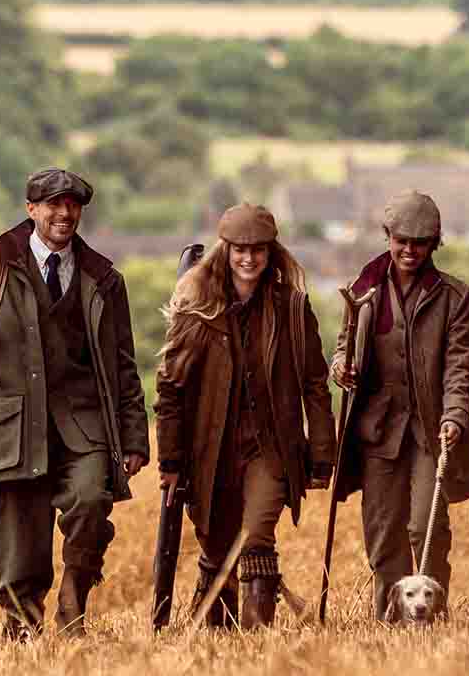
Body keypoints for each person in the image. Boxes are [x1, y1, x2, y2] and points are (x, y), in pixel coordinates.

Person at [0, 168, 150, 640]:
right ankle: (21, 633)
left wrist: (135, 436)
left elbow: (123, 364)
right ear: (31, 209)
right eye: (53, 204)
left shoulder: (104, 278)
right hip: (14, 426)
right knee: (22, 546)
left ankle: (74, 598)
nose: (64, 214)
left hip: (84, 425)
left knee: (92, 502)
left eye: (73, 205)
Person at [155, 203, 338, 630]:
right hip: (210, 451)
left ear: (271, 252)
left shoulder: (293, 309)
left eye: (258, 249)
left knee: (256, 538)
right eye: (240, 249)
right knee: (217, 547)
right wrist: (170, 460)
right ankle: (219, 638)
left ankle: (257, 642)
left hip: (270, 449)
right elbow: (170, 389)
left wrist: (322, 453)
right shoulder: (196, 306)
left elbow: (315, 384)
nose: (249, 258)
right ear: (226, 250)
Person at [330, 190, 469, 621]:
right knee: (383, 533)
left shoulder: (456, 296)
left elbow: (460, 364)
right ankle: (389, 623)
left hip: (431, 430)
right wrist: (341, 366)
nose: (410, 250)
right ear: (388, 237)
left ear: (434, 244)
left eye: (420, 243)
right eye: (402, 241)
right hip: (377, 430)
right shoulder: (362, 290)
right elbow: (344, 345)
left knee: (425, 525)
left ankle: (432, 619)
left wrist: (456, 414)